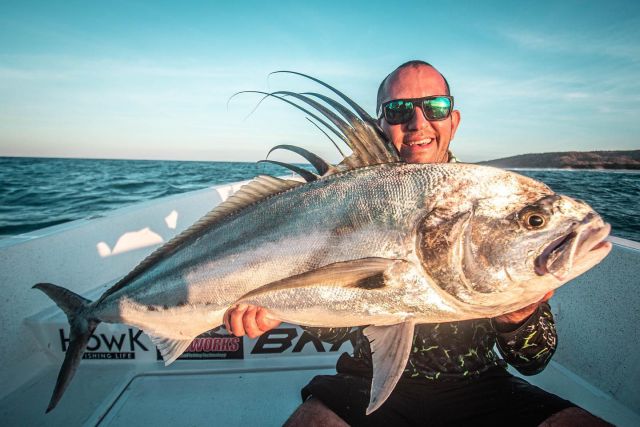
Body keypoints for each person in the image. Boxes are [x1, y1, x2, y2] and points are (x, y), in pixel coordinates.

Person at [225, 61, 610, 426]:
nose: (418, 122)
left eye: (435, 107)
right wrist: (279, 306)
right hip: (366, 378)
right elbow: (333, 331)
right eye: (399, 110)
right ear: (382, 123)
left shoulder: (493, 200)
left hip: (478, 384)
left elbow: (533, 361)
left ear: (453, 120)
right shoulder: (348, 199)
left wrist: (517, 316)